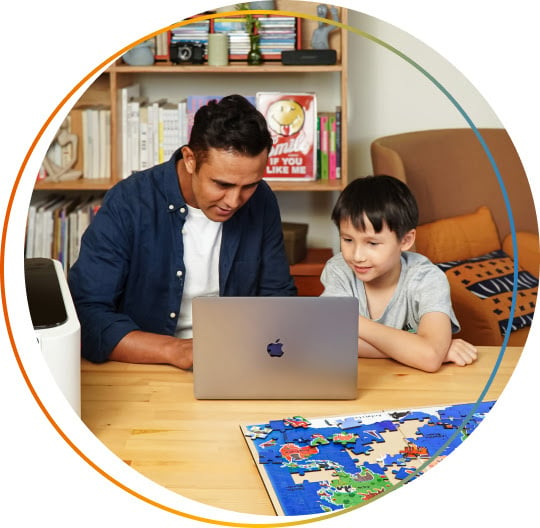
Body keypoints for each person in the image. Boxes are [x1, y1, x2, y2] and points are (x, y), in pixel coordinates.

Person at [68, 95, 296, 370]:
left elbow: (278, 299)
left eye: (249, 185)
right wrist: (177, 351)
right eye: (222, 184)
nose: (234, 201)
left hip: (233, 364)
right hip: (142, 367)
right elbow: (87, 313)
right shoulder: (129, 201)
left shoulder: (262, 201)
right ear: (190, 160)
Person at [320, 175, 478, 372]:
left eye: (372, 243)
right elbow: (326, 343)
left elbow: (428, 358)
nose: (357, 256)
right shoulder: (339, 269)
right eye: (348, 240)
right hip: (359, 379)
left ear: (406, 240)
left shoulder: (427, 278)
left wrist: (352, 321)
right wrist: (417, 350)